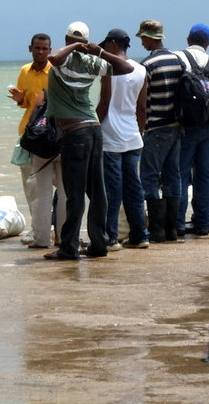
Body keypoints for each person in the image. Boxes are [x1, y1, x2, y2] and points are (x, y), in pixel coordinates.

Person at [43, 22, 134, 260]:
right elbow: (125, 68)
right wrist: (94, 52)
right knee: (97, 191)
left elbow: (53, 57)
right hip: (93, 130)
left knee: (75, 194)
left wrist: (90, 49)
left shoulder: (65, 61)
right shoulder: (92, 64)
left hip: (76, 133)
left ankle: (69, 248)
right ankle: (99, 244)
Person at [8, 33, 66, 249]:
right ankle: (40, 231)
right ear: (30, 48)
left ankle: (57, 234)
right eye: (37, 48)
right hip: (31, 134)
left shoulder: (56, 70)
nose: (41, 52)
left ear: (50, 50)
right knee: (33, 188)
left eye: (45, 49)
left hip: (54, 135)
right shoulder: (25, 71)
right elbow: (28, 104)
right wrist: (20, 100)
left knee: (58, 190)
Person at [95, 29, 149, 250]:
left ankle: (111, 237)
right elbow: (142, 107)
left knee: (112, 190)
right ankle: (140, 235)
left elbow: (105, 102)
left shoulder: (109, 68)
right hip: (133, 136)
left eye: (106, 44)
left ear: (114, 44)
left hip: (111, 136)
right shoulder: (141, 70)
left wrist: (95, 127)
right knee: (134, 189)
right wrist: (140, 130)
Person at [175, 24, 209, 237]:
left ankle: (178, 223)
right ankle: (203, 223)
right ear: (208, 43)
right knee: (206, 175)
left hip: (185, 126)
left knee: (180, 174)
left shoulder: (179, 59)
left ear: (188, 39)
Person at [137, 20, 184, 243]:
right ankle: (172, 230)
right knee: (172, 177)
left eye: (143, 38)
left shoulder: (147, 65)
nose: (142, 42)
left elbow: (143, 102)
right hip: (177, 127)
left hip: (155, 128)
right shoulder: (177, 60)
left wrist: (140, 128)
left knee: (149, 177)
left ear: (149, 37)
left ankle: (156, 231)